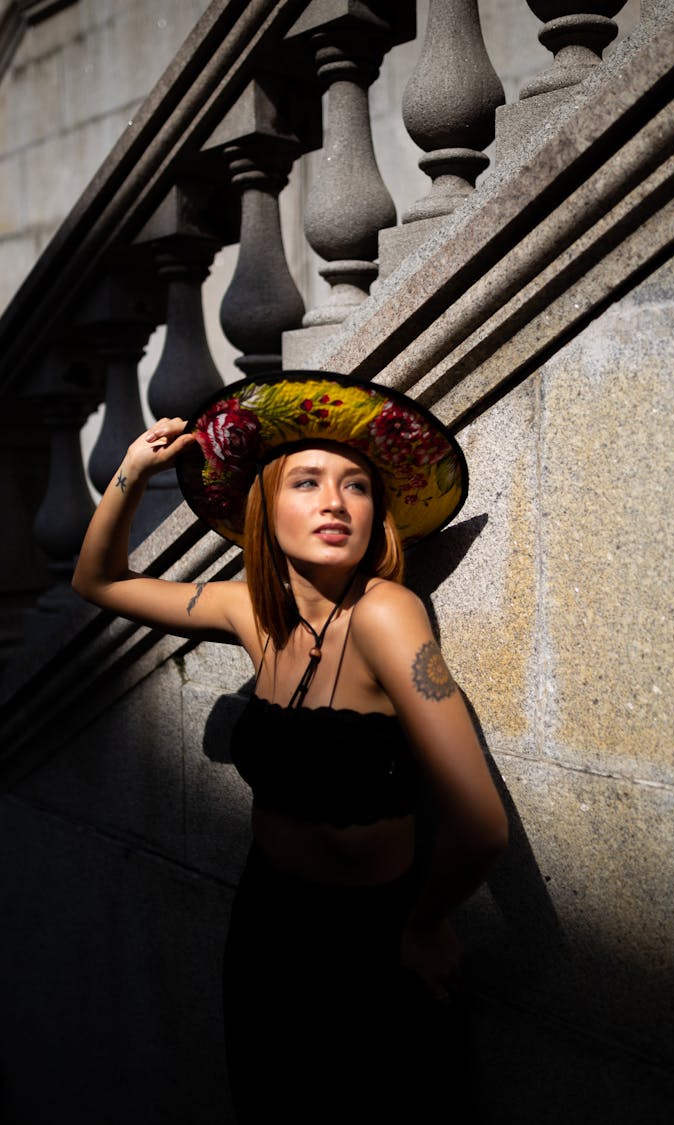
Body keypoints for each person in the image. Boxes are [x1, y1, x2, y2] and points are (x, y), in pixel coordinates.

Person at [72, 370, 508, 1123]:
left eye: (357, 486)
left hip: (371, 942)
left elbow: (482, 824)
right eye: (306, 481)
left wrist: (427, 922)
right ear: (265, 506)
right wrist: (131, 472)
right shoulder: (251, 612)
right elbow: (98, 580)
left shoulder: (388, 613)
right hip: (268, 925)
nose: (336, 502)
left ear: (381, 514)